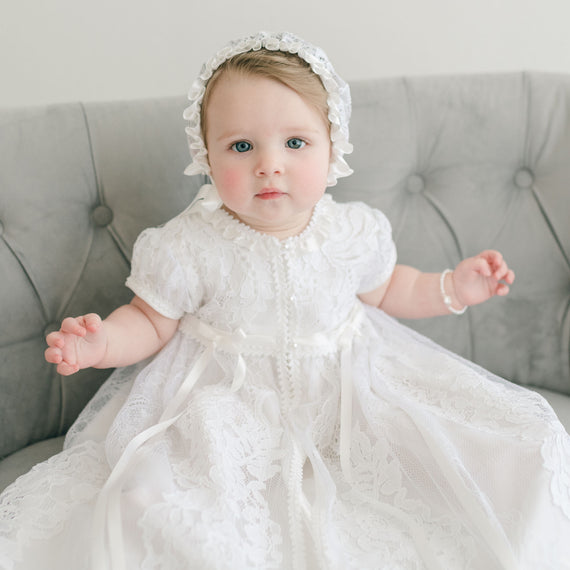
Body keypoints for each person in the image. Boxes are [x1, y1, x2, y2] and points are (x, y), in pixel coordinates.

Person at [1, 31, 569, 570]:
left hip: (347, 391)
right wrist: (100, 342)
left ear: (332, 148)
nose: (269, 164)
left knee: (494, 448)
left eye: (295, 142)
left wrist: (454, 287)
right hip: (227, 398)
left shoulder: (350, 232)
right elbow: (150, 322)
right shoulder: (188, 244)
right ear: (205, 153)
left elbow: (392, 289)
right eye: (241, 145)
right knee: (153, 495)